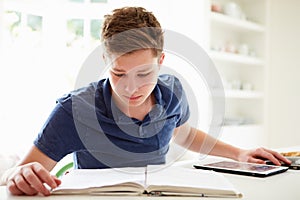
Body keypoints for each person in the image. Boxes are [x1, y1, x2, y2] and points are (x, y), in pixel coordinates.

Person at [1, 6, 291, 196]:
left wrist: (239, 154)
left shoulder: (173, 92)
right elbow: (18, 174)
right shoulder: (73, 109)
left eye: (144, 73)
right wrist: (20, 174)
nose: (131, 87)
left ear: (161, 61)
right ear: (105, 60)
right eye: (118, 73)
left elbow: (184, 134)